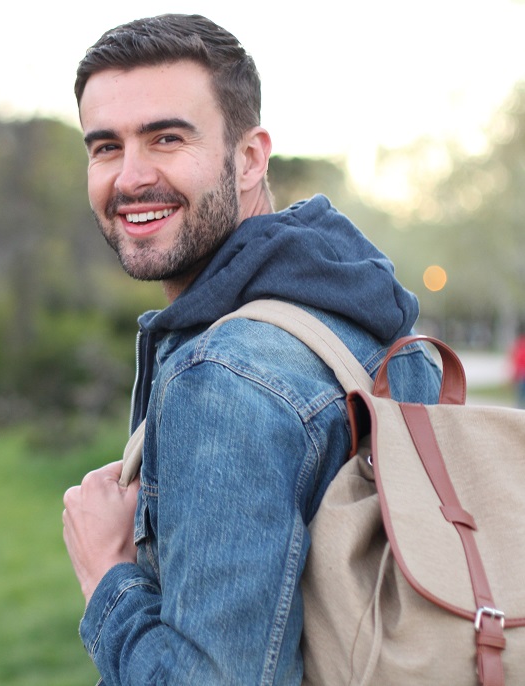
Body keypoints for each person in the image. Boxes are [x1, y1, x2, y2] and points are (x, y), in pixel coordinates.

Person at [61, 14, 443, 685]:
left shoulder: (226, 376)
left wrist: (106, 576)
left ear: (249, 157)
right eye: (105, 147)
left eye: (166, 138)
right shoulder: (356, 311)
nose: (130, 177)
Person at [512, 333, 525, 408]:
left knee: (520, 395)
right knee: (520, 394)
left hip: (521, 374)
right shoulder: (521, 348)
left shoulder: (520, 347)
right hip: (522, 374)